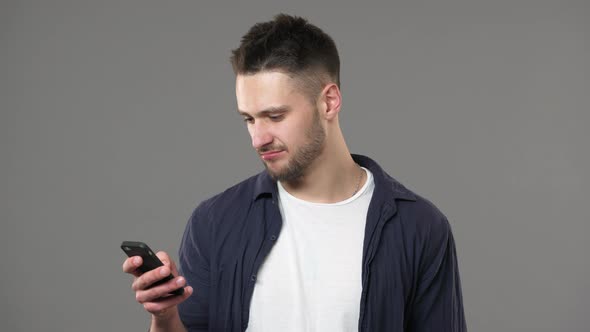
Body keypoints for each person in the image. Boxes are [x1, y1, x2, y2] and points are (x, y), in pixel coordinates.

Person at [122, 13, 467, 332]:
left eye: (274, 116)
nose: (259, 138)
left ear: (329, 102)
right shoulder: (214, 221)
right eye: (249, 119)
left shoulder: (419, 226)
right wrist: (164, 317)